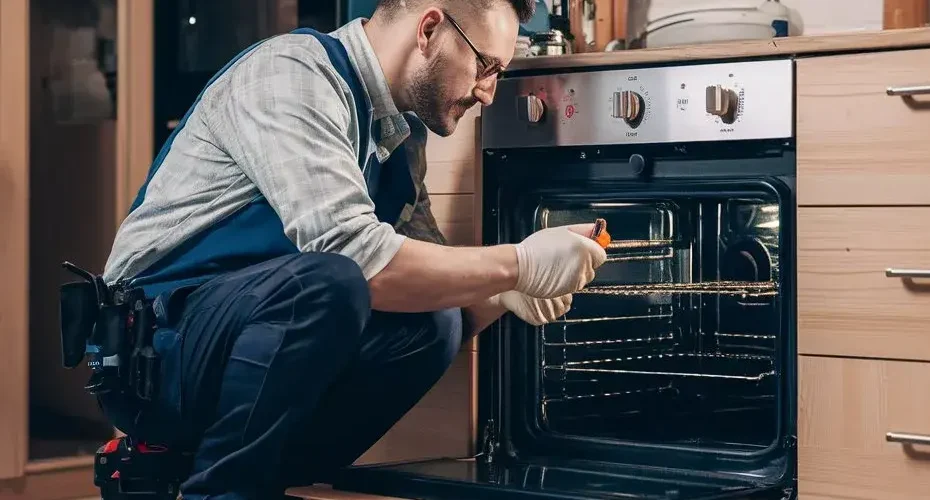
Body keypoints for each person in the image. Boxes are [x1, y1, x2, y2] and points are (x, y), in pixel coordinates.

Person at [95, 0, 607, 498]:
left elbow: (426, 287)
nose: (488, 91)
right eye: (486, 65)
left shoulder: (399, 139)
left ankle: (253, 482)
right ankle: (224, 491)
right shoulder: (291, 74)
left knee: (436, 324)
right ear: (429, 29)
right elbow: (360, 262)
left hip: (234, 337)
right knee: (332, 281)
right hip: (156, 348)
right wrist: (514, 263)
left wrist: (501, 293)